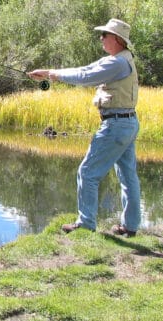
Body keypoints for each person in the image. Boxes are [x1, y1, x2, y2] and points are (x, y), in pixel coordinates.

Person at [27, 18, 141, 237]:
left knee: (87, 172)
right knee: (128, 176)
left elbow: (86, 77)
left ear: (117, 39)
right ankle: (131, 226)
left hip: (116, 124)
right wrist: (50, 72)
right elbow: (85, 68)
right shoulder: (120, 59)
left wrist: (53, 75)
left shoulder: (116, 63)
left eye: (104, 35)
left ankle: (86, 223)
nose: (101, 38)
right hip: (128, 122)